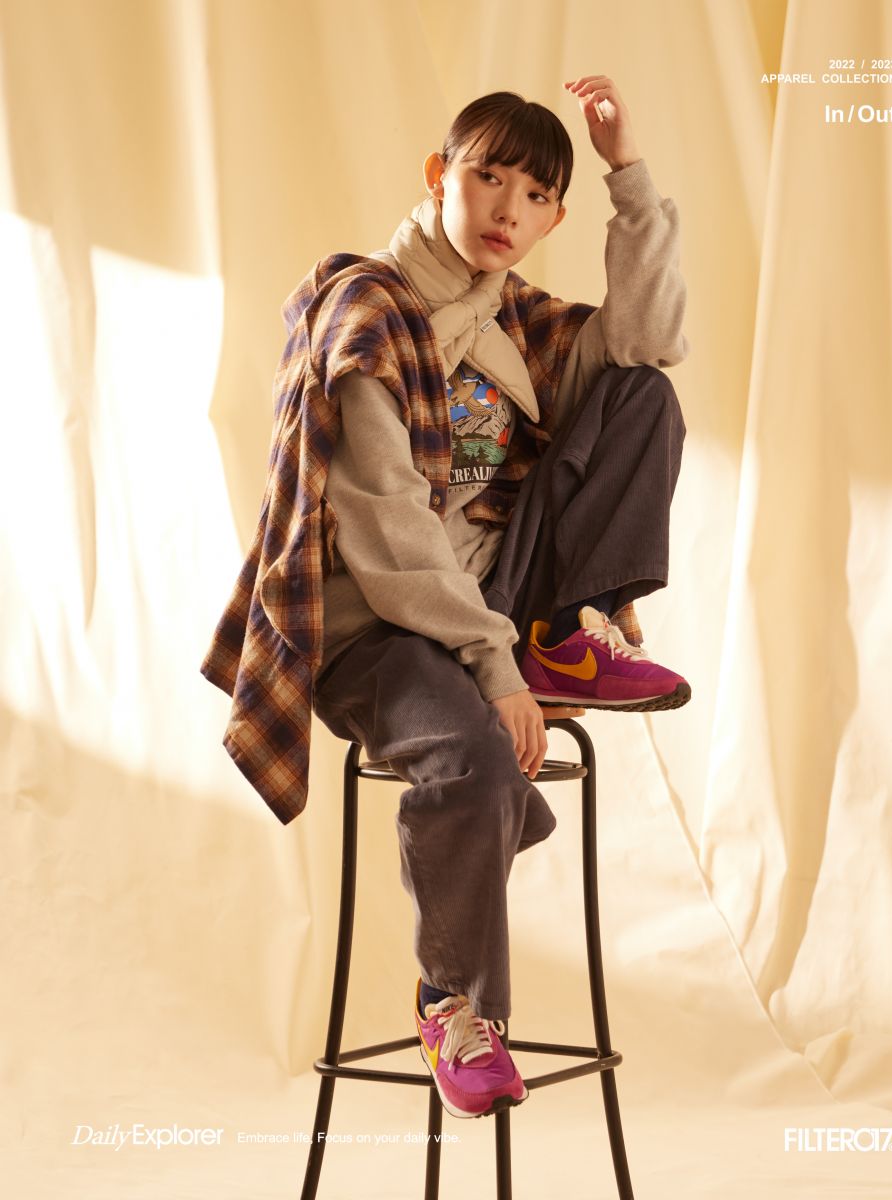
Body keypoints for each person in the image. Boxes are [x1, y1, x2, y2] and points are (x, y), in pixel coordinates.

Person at [307, 76, 689, 1121]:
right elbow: (387, 536)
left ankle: (565, 635)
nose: (507, 209)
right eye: (488, 178)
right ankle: (455, 1005)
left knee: (641, 392)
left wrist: (627, 176)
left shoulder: (516, 317)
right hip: (375, 626)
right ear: (440, 177)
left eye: (535, 194)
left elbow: (648, 338)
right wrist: (491, 671)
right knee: (472, 759)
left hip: (494, 604)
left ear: (554, 218)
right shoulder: (365, 314)